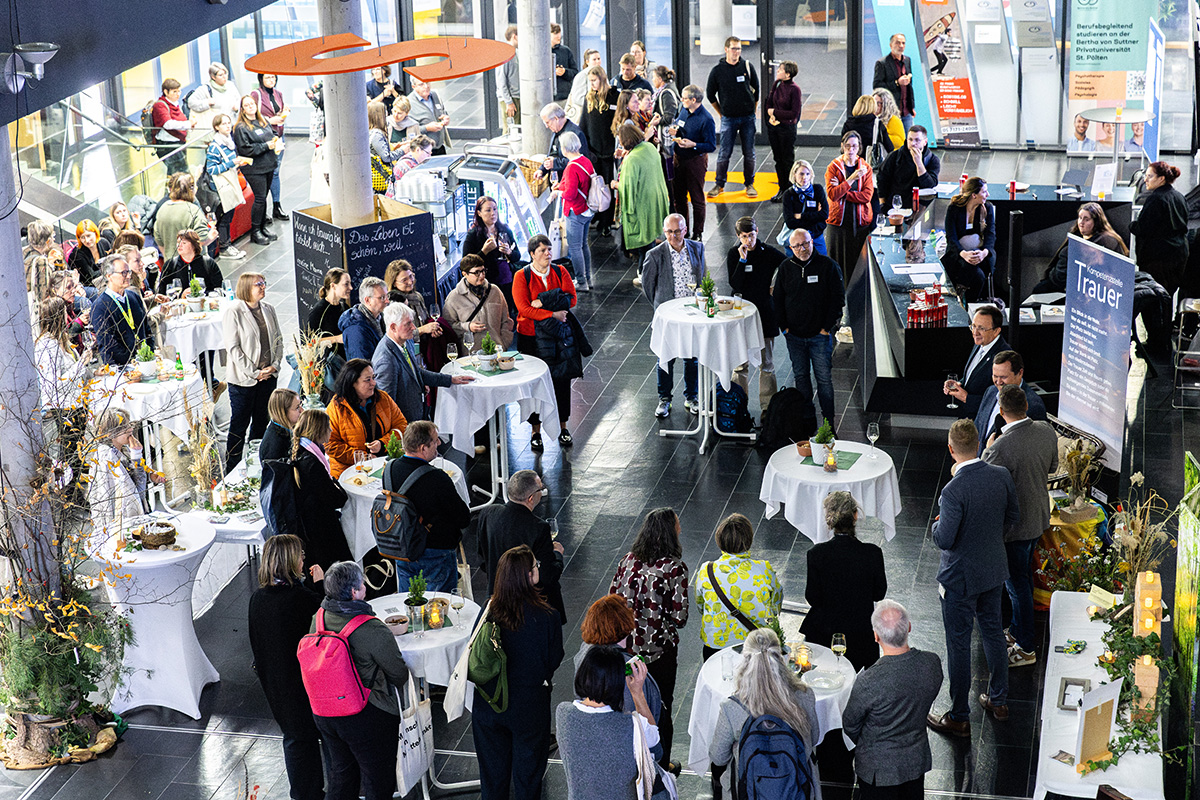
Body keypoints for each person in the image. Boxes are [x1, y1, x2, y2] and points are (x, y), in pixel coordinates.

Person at [927, 419, 1019, 738]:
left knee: (959, 644)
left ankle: (959, 716)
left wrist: (937, 524)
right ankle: (999, 701)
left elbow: (944, 539)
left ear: (951, 449)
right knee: (993, 633)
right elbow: (1013, 517)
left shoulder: (952, 491)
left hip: (960, 579)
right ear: (978, 444)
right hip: (993, 570)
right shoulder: (1001, 475)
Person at [310, 561, 411, 800]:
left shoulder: (319, 618)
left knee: (342, 775)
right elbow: (399, 674)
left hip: (324, 711)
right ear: (355, 592)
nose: (365, 585)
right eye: (362, 583)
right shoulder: (372, 629)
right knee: (378, 780)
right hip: (365, 715)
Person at [471, 544, 564, 800]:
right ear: (529, 576)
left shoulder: (488, 609)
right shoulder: (548, 616)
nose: (538, 568)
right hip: (529, 707)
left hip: (489, 703)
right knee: (528, 777)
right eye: (536, 566)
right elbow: (554, 659)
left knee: (492, 778)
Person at [982, 385, 1058, 669]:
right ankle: (1016, 630)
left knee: (1017, 587)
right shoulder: (1046, 431)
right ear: (1026, 405)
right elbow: (1052, 467)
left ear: (1001, 412)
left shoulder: (999, 447)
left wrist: (988, 449)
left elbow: (985, 482)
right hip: (1039, 518)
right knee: (1023, 577)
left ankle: (1026, 647)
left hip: (1014, 527)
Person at [609, 507, 689, 768]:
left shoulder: (627, 561)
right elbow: (680, 618)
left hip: (627, 651)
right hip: (659, 653)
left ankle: (632, 762)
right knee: (661, 705)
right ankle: (661, 765)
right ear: (671, 532)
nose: (680, 529)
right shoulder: (675, 569)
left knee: (627, 705)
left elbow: (612, 599)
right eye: (677, 525)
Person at [248, 534, 326, 800]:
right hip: (302, 683)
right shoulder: (299, 598)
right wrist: (320, 584)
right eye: (300, 555)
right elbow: (325, 615)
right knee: (316, 738)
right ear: (291, 561)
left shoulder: (258, 598)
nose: (304, 559)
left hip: (274, 681)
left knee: (294, 738)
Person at [842, 600, 944, 800]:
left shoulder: (869, 680)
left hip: (877, 771)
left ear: (876, 636)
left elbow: (850, 725)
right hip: (915, 762)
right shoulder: (931, 663)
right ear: (909, 627)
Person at [708, 629, 819, 795]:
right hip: (798, 787)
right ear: (780, 657)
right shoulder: (805, 695)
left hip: (748, 791)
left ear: (745, 661)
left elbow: (718, 758)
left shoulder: (731, 707)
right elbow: (813, 739)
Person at [799, 491, 887, 671]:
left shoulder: (816, 554)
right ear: (855, 516)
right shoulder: (872, 553)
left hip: (825, 633)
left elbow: (813, 598)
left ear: (829, 519)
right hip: (861, 633)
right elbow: (879, 593)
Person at [557, 645, 659, 800]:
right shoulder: (632, 725)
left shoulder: (563, 713)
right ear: (617, 683)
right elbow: (655, 741)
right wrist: (637, 692)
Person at [382, 421, 470, 592]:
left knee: (408, 601)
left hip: (403, 549)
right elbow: (463, 518)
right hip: (435, 553)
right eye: (435, 441)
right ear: (423, 448)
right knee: (438, 604)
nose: (439, 443)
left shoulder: (390, 469)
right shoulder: (437, 478)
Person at [512, 234, 580, 449]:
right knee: (533, 385)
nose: (548, 253)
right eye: (542, 250)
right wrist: (553, 313)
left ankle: (563, 427)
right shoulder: (522, 276)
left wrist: (543, 301)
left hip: (557, 336)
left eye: (549, 249)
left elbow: (571, 299)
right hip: (530, 337)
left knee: (562, 381)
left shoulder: (560, 271)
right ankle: (535, 431)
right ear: (532, 254)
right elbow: (524, 309)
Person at [776, 229, 845, 428]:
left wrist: (826, 328)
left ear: (812, 242)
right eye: (797, 246)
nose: (802, 249)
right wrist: (784, 328)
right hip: (794, 337)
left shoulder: (828, 266)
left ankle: (829, 424)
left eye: (805, 243)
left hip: (819, 337)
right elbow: (778, 300)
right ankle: (807, 421)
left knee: (824, 381)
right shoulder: (785, 268)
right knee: (801, 378)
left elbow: (838, 299)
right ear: (791, 248)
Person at [477, 470, 567, 623]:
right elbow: (547, 576)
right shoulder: (538, 528)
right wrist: (557, 554)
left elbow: (482, 558)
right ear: (531, 498)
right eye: (541, 489)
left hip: (496, 596)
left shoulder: (488, 513)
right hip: (529, 606)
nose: (542, 491)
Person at [694, 513, 781, 660]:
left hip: (716, 645)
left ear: (719, 539)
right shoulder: (764, 569)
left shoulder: (706, 570)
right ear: (749, 539)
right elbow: (776, 605)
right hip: (755, 644)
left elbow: (701, 605)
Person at [642, 214, 703, 417]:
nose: (673, 236)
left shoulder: (697, 248)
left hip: (691, 313)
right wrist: (661, 308)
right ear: (664, 231)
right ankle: (664, 399)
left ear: (685, 230)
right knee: (665, 358)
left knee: (691, 358)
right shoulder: (655, 254)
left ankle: (691, 397)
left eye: (677, 231)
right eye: (669, 232)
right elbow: (648, 286)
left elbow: (702, 275)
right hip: (668, 316)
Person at [223, 271, 283, 473]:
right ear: (246, 288)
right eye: (259, 284)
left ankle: (256, 465)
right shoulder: (234, 312)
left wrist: (275, 365)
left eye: (264, 283)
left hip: (268, 377)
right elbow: (233, 349)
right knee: (239, 426)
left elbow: (278, 340)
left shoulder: (269, 309)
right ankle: (231, 468)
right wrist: (254, 372)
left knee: (261, 423)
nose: (263, 286)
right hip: (244, 380)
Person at [372, 302, 471, 423]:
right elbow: (387, 406)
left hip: (419, 414)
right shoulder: (385, 360)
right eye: (408, 324)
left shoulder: (405, 341)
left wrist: (450, 379)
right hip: (405, 425)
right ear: (393, 327)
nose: (414, 327)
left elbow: (416, 372)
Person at [36, 297, 93, 502]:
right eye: (64, 314)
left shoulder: (60, 340)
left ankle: (78, 500)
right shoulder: (47, 346)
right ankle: (72, 502)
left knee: (77, 458)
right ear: (57, 317)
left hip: (75, 406)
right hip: (62, 411)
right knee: (69, 460)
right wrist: (81, 364)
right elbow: (53, 385)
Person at [286, 408, 354, 575]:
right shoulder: (312, 464)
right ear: (318, 431)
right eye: (328, 427)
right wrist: (338, 487)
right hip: (319, 527)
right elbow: (336, 499)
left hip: (309, 521)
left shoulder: (300, 451)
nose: (331, 430)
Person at [728, 217, 785, 411]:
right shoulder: (733, 254)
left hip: (764, 314)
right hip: (741, 314)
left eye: (751, 235)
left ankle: (767, 408)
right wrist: (742, 260)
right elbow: (735, 284)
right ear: (738, 236)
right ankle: (738, 407)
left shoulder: (767, 252)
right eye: (744, 236)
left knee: (766, 364)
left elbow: (787, 264)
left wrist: (776, 285)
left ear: (757, 232)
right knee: (739, 365)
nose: (748, 240)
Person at [325, 358, 407, 479]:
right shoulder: (336, 407)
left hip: (383, 467)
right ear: (352, 382)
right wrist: (363, 457)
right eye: (367, 380)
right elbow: (330, 445)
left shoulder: (383, 399)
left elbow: (402, 426)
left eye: (373, 377)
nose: (373, 383)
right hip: (350, 473)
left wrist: (382, 443)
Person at [87, 408, 165, 533]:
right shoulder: (107, 459)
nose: (130, 429)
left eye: (129, 424)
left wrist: (150, 477)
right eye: (124, 428)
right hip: (121, 524)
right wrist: (137, 456)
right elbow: (134, 493)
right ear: (110, 434)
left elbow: (132, 480)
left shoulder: (122, 449)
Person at [1033, 202, 1129, 294]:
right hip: (1063, 281)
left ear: (1096, 221)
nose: (1081, 223)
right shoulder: (1076, 237)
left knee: (1039, 290)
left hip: (1085, 288)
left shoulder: (1106, 240)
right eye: (1080, 218)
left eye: (1086, 219)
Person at [705, 37, 759, 198]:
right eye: (734, 48)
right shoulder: (717, 71)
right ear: (726, 49)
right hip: (728, 118)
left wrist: (753, 110)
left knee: (749, 153)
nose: (737, 52)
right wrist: (721, 113)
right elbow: (710, 94)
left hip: (747, 118)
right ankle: (719, 184)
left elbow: (756, 90)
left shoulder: (747, 67)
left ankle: (749, 183)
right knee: (724, 152)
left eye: (739, 49)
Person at [615, 123, 670, 279]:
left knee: (644, 241)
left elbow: (628, 186)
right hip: (655, 199)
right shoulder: (649, 147)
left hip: (642, 204)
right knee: (651, 237)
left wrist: (614, 184)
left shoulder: (632, 159)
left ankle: (644, 273)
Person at [1130, 160, 1189, 299]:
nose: (1145, 180)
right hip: (1179, 255)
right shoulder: (1179, 196)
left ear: (1161, 179)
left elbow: (1143, 228)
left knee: (1156, 299)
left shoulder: (1156, 199)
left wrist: (1131, 225)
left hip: (1158, 259)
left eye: (1150, 176)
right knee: (1168, 295)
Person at [972, 349, 1047, 452]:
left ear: (1020, 373)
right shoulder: (990, 392)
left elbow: (1032, 450)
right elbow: (977, 427)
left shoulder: (1033, 405)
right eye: (995, 376)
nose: (998, 382)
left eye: (1003, 377)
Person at [824, 131, 874, 284]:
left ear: (859, 148)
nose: (850, 150)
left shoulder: (866, 168)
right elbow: (833, 195)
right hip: (838, 222)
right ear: (842, 146)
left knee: (858, 262)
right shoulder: (833, 167)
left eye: (854, 146)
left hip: (860, 222)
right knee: (837, 262)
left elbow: (866, 196)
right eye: (847, 146)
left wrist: (843, 192)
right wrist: (851, 179)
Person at [942, 305, 1009, 418]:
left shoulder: (1005, 358)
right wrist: (959, 384)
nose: (975, 332)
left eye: (981, 328)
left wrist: (966, 398)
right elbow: (974, 374)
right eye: (973, 326)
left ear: (996, 331)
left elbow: (1000, 400)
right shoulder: (981, 342)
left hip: (980, 420)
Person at [233, 93, 282, 245]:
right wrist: (266, 146)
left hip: (268, 164)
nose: (250, 107)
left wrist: (275, 140)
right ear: (242, 109)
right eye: (246, 105)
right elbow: (245, 149)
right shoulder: (240, 128)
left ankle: (262, 227)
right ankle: (255, 232)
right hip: (254, 168)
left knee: (264, 197)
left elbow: (273, 133)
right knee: (259, 198)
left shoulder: (263, 121)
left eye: (252, 104)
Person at [443, 253, 515, 354]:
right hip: (470, 354)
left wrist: (504, 343)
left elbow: (506, 320)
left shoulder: (495, 291)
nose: (482, 275)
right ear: (464, 274)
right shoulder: (454, 298)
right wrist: (468, 327)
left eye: (483, 271)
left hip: (497, 352)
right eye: (476, 272)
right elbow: (448, 327)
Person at [554, 131, 597, 291]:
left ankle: (581, 281)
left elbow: (571, 194)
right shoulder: (585, 161)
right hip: (587, 209)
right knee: (583, 245)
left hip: (575, 212)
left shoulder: (571, 167)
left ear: (564, 148)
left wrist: (558, 192)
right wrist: (561, 186)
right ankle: (588, 279)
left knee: (574, 247)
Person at [941, 177, 997, 301]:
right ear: (974, 195)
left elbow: (990, 235)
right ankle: (969, 302)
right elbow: (951, 237)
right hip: (958, 254)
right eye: (984, 192)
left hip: (981, 253)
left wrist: (984, 253)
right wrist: (963, 254)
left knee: (977, 272)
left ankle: (964, 297)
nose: (988, 194)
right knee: (977, 276)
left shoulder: (987, 208)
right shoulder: (954, 209)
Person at [580, 66, 621, 236]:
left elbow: (618, 121)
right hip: (593, 151)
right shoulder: (588, 98)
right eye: (589, 81)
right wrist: (585, 150)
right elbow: (584, 124)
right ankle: (596, 215)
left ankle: (606, 221)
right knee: (594, 186)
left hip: (609, 151)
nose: (592, 84)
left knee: (607, 187)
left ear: (602, 79)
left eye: (594, 80)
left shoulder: (613, 96)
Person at [92, 255, 154, 366]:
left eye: (128, 272)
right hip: (120, 368)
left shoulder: (133, 296)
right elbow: (108, 345)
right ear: (109, 276)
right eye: (123, 273)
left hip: (144, 362)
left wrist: (149, 355)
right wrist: (132, 360)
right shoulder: (100, 307)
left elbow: (147, 329)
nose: (129, 276)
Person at [205, 113, 250, 260]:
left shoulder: (229, 142)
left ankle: (226, 245)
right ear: (217, 127)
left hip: (229, 184)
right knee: (224, 217)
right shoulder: (215, 147)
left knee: (228, 216)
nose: (227, 126)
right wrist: (231, 163)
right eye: (224, 124)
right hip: (220, 188)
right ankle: (224, 247)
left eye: (229, 123)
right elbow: (211, 169)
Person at [462, 196, 519, 309]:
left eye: (495, 209)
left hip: (507, 279)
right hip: (486, 282)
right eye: (488, 210)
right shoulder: (473, 235)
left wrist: (509, 252)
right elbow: (466, 263)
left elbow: (517, 256)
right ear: (479, 213)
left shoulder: (505, 230)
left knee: (508, 310)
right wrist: (484, 251)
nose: (493, 213)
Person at [251, 73, 290, 221]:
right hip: (264, 138)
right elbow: (251, 115)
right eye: (267, 78)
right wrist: (269, 120)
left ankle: (276, 206)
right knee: (265, 173)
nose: (271, 80)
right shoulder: (256, 94)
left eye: (273, 77)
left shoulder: (278, 93)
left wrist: (284, 113)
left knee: (275, 172)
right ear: (261, 79)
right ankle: (262, 209)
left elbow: (279, 111)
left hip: (278, 135)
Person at [876, 126, 940, 211]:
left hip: (920, 207)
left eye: (917, 140)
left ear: (925, 142)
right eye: (910, 139)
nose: (913, 143)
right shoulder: (895, 156)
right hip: (895, 206)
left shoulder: (932, 159)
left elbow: (929, 185)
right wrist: (882, 203)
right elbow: (882, 178)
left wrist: (919, 163)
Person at [765, 61, 802, 203]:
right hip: (774, 127)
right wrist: (771, 114)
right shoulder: (777, 84)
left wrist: (775, 113)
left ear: (788, 74)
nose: (778, 71)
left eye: (780, 70)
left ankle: (790, 189)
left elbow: (794, 113)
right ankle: (782, 187)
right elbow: (769, 102)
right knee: (778, 159)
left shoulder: (794, 89)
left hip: (787, 129)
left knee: (787, 160)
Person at [153, 173, 212, 263]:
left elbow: (159, 241)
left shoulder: (162, 208)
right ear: (191, 190)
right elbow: (202, 240)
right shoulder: (193, 210)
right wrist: (211, 236)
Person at [781, 160, 830, 256]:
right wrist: (815, 217)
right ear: (794, 174)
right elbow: (790, 222)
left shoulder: (817, 190)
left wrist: (801, 216)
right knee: (795, 264)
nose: (805, 177)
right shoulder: (788, 194)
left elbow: (824, 214)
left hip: (815, 236)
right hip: (797, 239)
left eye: (808, 174)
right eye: (801, 174)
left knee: (823, 260)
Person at [152, 78, 196, 177]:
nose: (178, 94)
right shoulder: (160, 106)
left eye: (179, 91)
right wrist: (188, 124)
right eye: (174, 91)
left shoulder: (174, 104)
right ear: (166, 92)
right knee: (181, 174)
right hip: (169, 145)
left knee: (176, 174)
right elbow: (168, 124)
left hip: (178, 143)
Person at [339, 277, 389, 362]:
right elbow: (364, 365)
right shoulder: (356, 330)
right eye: (382, 297)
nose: (387, 301)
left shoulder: (380, 318)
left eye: (387, 296)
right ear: (368, 300)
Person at [158, 230, 222, 295]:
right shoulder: (170, 265)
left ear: (194, 245)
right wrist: (181, 295)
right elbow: (162, 292)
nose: (179, 245)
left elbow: (219, 289)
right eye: (178, 242)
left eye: (184, 243)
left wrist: (200, 294)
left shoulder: (208, 263)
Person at [308, 267, 353, 360]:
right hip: (329, 363)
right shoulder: (319, 311)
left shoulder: (345, 307)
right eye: (346, 284)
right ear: (333, 286)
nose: (351, 288)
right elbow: (310, 342)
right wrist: (337, 339)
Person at [873, 34, 915, 130]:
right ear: (891, 45)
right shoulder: (882, 63)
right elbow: (877, 86)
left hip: (906, 111)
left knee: (907, 137)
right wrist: (897, 83)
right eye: (898, 43)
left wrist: (911, 107)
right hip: (890, 111)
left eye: (903, 43)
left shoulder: (907, 60)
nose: (901, 46)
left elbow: (909, 86)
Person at [188, 62, 241, 134]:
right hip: (215, 130)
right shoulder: (205, 89)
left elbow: (239, 100)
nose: (224, 77)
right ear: (213, 77)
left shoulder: (230, 85)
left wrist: (236, 107)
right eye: (220, 75)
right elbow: (191, 102)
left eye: (225, 73)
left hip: (231, 126)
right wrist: (207, 103)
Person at [539, 103, 590, 178]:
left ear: (556, 118)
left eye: (547, 122)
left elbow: (580, 161)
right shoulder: (556, 130)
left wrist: (555, 163)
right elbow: (553, 153)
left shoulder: (576, 134)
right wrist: (542, 169)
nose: (546, 126)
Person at [842, 94, 894, 166]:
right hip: (869, 163)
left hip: (852, 163)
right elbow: (890, 147)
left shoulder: (848, 123)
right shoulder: (877, 124)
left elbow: (843, 146)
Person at [407, 78, 450, 155]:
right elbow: (409, 131)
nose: (426, 86)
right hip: (423, 151)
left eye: (427, 82)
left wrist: (445, 118)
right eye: (421, 84)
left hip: (439, 147)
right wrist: (427, 128)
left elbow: (442, 111)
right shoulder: (409, 103)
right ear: (413, 86)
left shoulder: (435, 95)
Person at [260, 387, 301, 462]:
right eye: (297, 407)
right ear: (283, 412)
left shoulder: (284, 429)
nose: (302, 410)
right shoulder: (276, 444)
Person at [67, 219, 110, 289]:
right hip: (88, 287)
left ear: (95, 233)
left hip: (106, 281)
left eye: (88, 235)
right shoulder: (76, 255)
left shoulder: (104, 243)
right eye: (82, 237)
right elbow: (91, 278)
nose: (87, 240)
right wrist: (108, 269)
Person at [565, 49, 601, 124]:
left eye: (598, 59)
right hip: (582, 115)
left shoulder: (602, 74)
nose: (597, 61)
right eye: (594, 59)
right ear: (587, 62)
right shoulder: (582, 76)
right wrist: (593, 105)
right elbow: (577, 98)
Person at [497, 26, 521, 135]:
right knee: (510, 131)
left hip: (516, 97)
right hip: (511, 99)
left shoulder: (515, 53)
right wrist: (509, 102)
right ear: (514, 36)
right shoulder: (505, 54)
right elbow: (501, 81)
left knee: (517, 129)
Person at [367, 100, 395, 173]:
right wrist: (403, 151)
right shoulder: (376, 134)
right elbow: (386, 157)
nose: (387, 114)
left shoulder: (370, 132)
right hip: (380, 175)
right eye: (384, 111)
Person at [551, 24, 577, 102]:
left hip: (564, 97)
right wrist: (553, 73)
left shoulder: (566, 51)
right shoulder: (540, 54)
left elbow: (575, 72)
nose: (559, 36)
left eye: (559, 32)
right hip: (546, 97)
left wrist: (564, 72)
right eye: (555, 33)